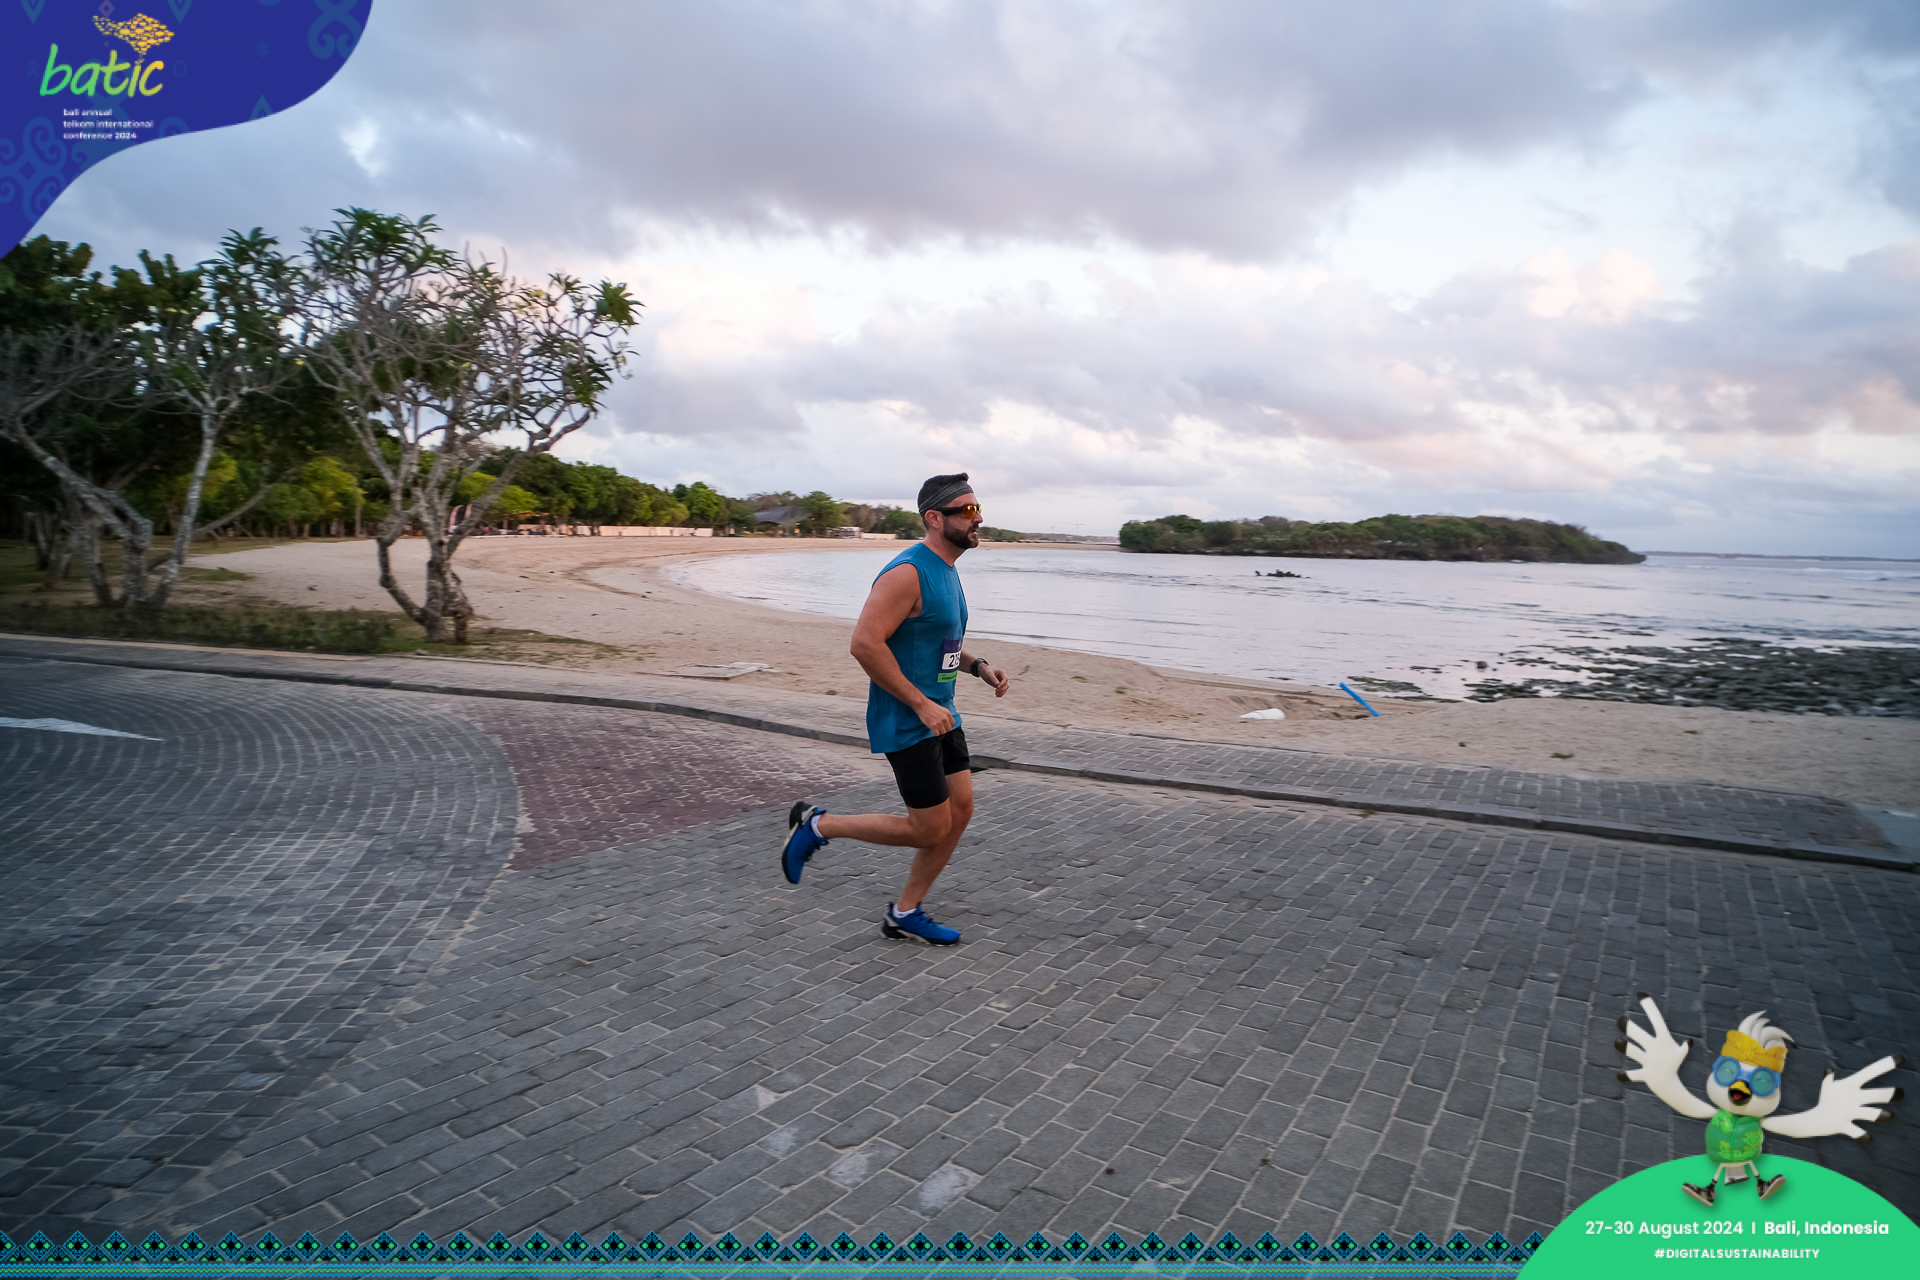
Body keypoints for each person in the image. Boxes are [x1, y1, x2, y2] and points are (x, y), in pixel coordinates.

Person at [779, 473, 1010, 944]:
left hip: (941, 713)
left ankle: (905, 912)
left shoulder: (947, 570)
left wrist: (977, 666)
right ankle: (818, 825)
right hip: (909, 718)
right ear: (935, 518)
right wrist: (921, 704)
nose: (979, 518)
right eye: (968, 510)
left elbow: (933, 639)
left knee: (960, 812)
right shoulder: (906, 572)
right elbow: (865, 644)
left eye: (978, 508)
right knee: (928, 829)